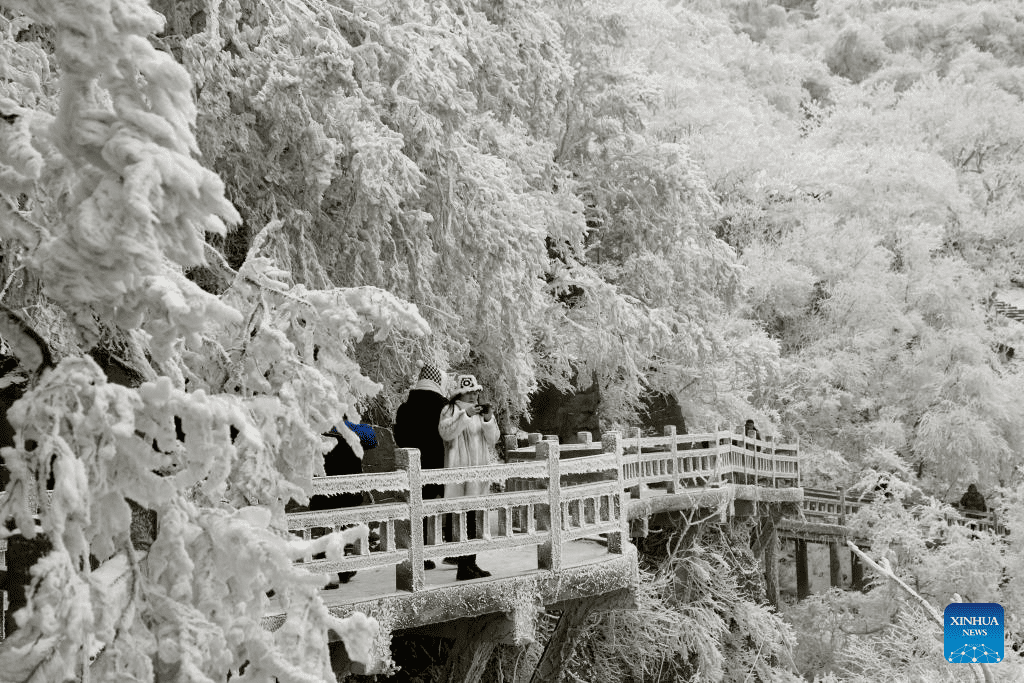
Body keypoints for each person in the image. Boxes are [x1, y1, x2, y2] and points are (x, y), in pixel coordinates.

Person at [439, 374, 500, 580]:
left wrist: (488, 419)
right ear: (461, 393)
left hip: (478, 472)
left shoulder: (479, 413)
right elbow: (446, 433)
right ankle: (462, 565)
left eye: (476, 392)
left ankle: (471, 563)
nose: (475, 395)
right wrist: (465, 416)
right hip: (459, 474)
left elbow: (493, 440)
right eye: (471, 392)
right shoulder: (450, 410)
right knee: (461, 520)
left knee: (474, 520)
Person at [394, 362, 449, 570]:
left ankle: (415, 554)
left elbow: (399, 435)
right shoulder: (443, 406)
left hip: (410, 466)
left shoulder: (405, 407)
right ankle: (447, 550)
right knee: (429, 509)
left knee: (413, 510)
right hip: (436, 464)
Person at [310, 419, 376, 586]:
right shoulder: (351, 430)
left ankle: (329, 564)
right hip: (348, 496)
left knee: (332, 528)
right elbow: (372, 439)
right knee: (338, 527)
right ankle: (339, 567)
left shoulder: (313, 429)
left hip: (321, 496)